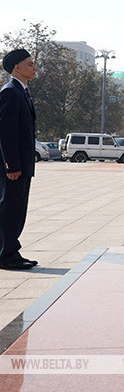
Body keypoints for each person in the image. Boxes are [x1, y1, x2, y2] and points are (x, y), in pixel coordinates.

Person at [0, 49, 38, 269]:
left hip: (23, 165)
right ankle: (6, 256)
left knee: (18, 209)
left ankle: (12, 251)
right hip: (14, 167)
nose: (34, 68)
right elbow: (6, 133)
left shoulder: (22, 92)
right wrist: (11, 165)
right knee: (10, 209)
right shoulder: (10, 92)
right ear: (17, 67)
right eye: (30, 64)